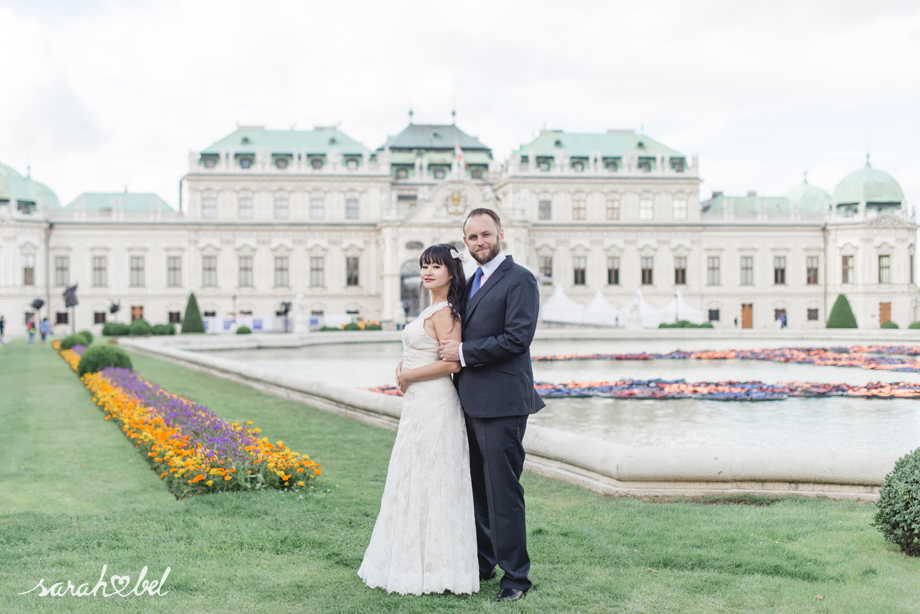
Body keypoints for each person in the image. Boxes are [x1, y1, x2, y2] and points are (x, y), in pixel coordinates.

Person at [358, 244, 478, 595]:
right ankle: (413, 560)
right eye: (425, 266)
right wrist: (403, 366)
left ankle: (438, 568)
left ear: (451, 273)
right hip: (419, 405)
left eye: (435, 267)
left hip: (435, 403)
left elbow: (452, 363)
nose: (427, 272)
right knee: (413, 476)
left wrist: (410, 376)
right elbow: (422, 350)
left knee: (433, 477)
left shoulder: (447, 312)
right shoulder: (432, 308)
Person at [438, 208, 544, 602]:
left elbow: (518, 338)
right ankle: (484, 564)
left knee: (503, 492)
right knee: (477, 491)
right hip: (467, 401)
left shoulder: (520, 279)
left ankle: (516, 578)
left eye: (486, 234)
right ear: (465, 242)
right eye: (472, 237)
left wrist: (464, 352)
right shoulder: (469, 283)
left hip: (502, 404)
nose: (480, 242)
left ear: (500, 233)